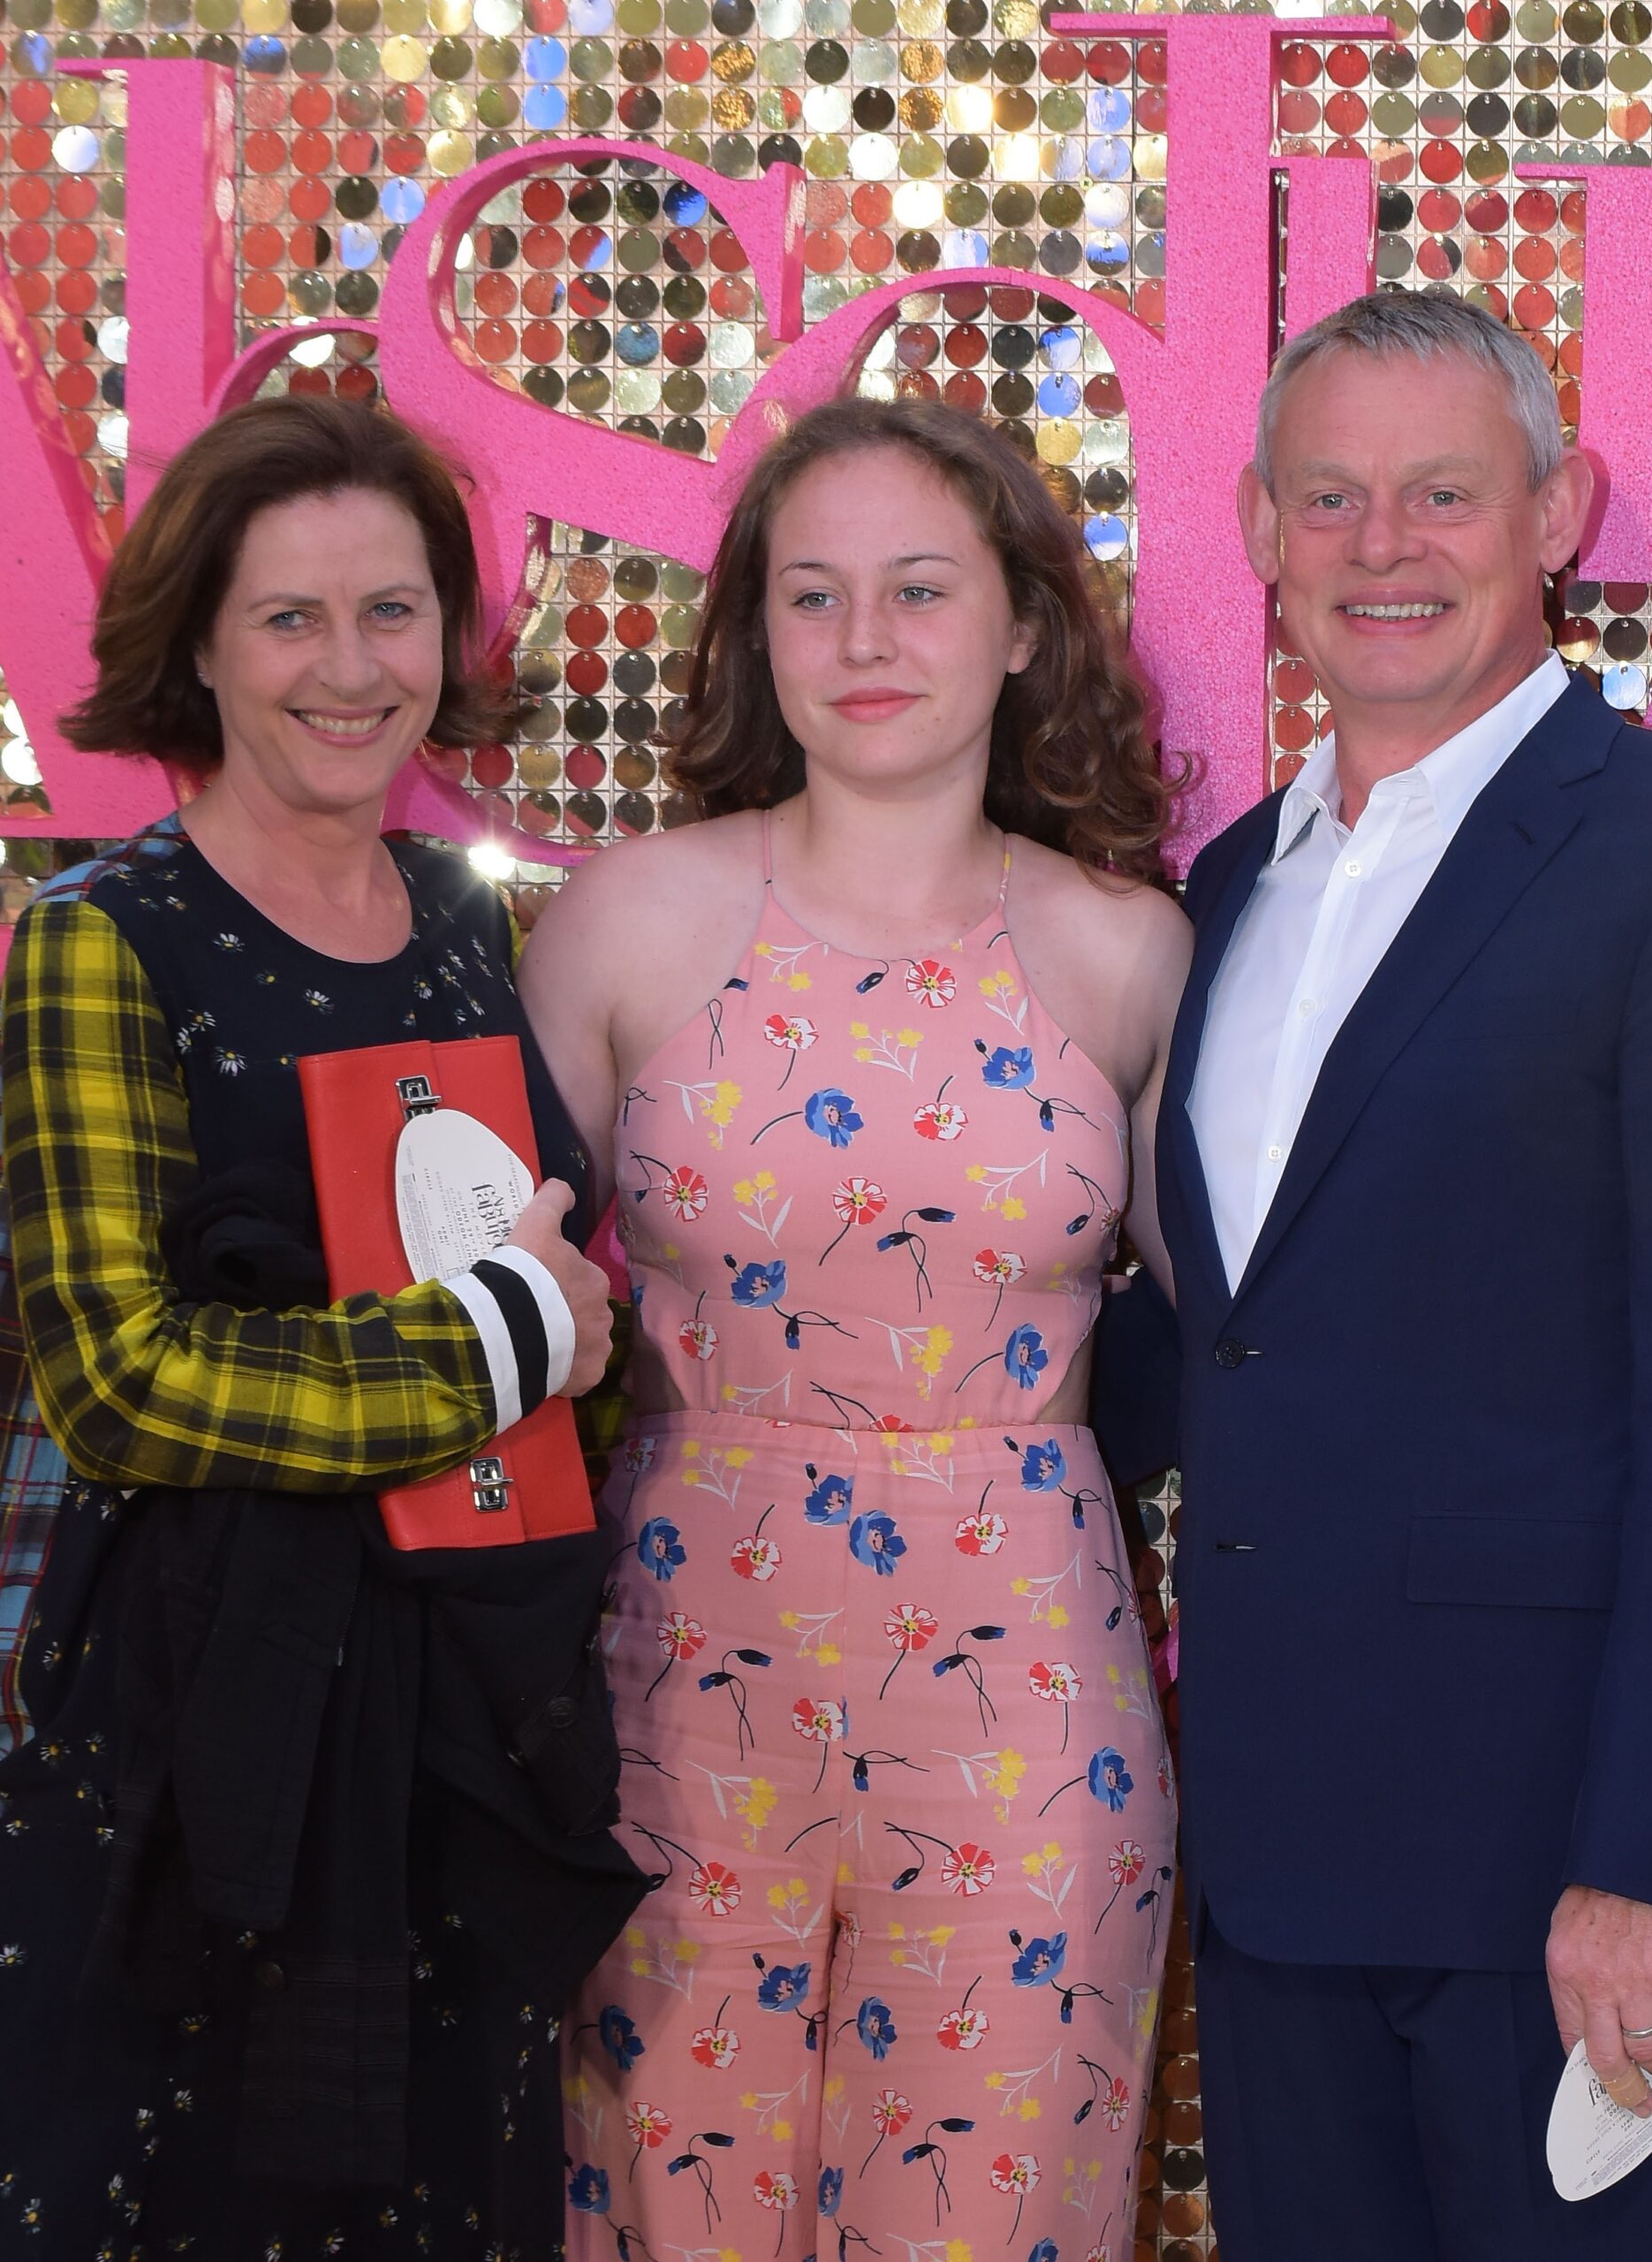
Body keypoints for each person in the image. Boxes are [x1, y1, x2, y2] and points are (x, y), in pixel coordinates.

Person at [1110, 291, 1652, 2258]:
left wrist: (1647, 1865)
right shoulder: (1223, 892)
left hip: (1567, 1887)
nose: (1385, 547)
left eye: (1445, 492)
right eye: (1334, 497)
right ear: (1262, 531)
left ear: (1558, 510)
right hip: (1280, 1870)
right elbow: (1235, 1341)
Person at [0, 393, 643, 2261]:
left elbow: (528, 1293)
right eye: (290, 616)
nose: (349, 666)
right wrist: (495, 1347)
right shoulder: (102, 937)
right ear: (201, 643)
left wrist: (580, 1355)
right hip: (177, 1732)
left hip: (444, 1725)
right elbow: (122, 1377)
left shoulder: (465, 930)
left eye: (392, 612)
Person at [522, 397, 1190, 2262]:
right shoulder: (623, 925)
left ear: (1025, 624)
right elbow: (488, 1323)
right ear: (758, 634)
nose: (868, 641)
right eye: (814, 597)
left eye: (919, 588)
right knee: (667, 2204)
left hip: (1029, 1704)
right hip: (675, 1691)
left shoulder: (1128, 953)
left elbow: (1241, 1340)